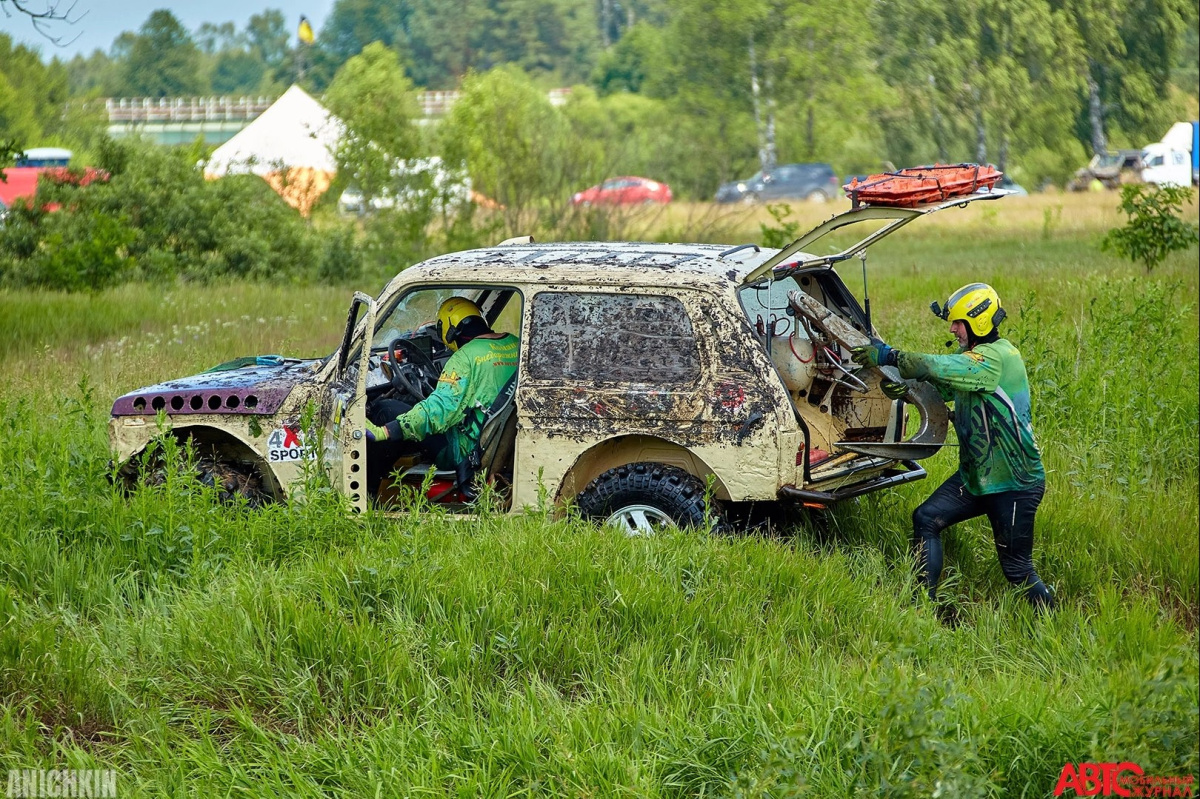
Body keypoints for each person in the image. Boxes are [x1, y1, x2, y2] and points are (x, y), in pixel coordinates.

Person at [851, 283, 1054, 614]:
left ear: (979, 322)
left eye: (958, 323)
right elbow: (939, 388)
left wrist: (889, 355)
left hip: (1014, 483)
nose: (952, 329)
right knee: (926, 518)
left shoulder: (998, 358)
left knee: (1017, 570)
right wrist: (906, 390)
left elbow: (934, 366)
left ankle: (1051, 619)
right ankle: (922, 609)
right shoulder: (971, 360)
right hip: (978, 478)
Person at [365, 297, 519, 496]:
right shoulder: (514, 343)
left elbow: (439, 411)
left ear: (449, 329)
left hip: (466, 452)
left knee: (386, 409)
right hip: (500, 444)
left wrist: (388, 431)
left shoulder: (465, 357)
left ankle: (368, 493)